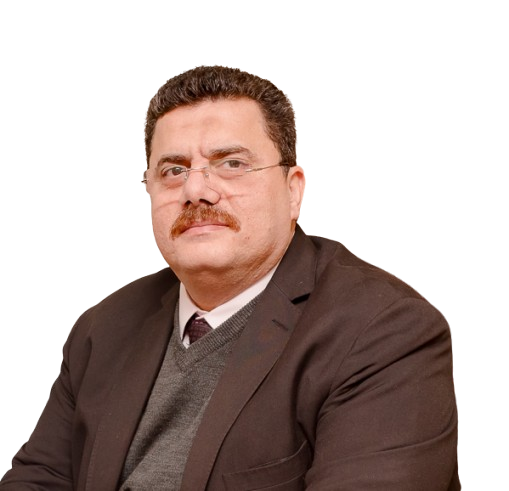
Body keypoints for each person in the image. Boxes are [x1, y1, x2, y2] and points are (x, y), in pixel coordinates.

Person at [0, 64, 460, 490]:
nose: (196, 189)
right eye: (174, 170)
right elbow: (38, 480)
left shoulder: (385, 331)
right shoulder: (103, 327)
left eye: (231, 163)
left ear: (294, 190)